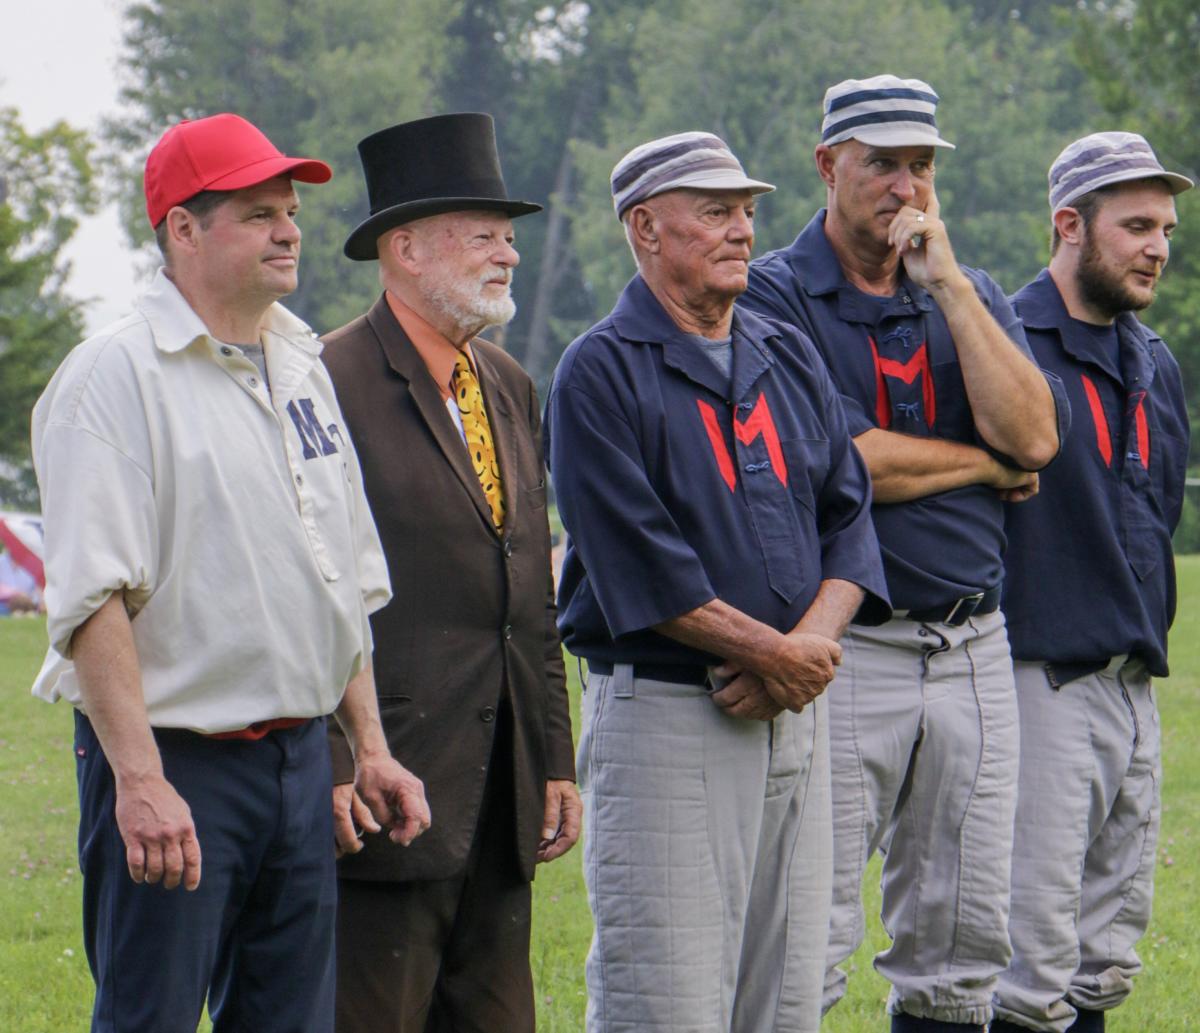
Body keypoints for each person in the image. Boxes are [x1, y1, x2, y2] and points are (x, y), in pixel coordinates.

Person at [30, 113, 429, 1033]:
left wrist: (366, 747)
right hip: (177, 761)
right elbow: (93, 600)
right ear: (183, 228)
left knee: (289, 1021)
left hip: (296, 761)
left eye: (288, 210)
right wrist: (139, 778)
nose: (289, 229)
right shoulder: (113, 377)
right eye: (257, 213)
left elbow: (343, 576)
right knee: (152, 1019)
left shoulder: (300, 361)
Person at [740, 75, 1067, 1032]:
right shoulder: (772, 293)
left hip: (974, 645)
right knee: (812, 932)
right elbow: (840, 461)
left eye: (920, 164)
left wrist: (953, 288)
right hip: (850, 650)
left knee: (964, 945)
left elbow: (1038, 439)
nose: (904, 185)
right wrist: (982, 462)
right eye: (881, 162)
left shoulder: (964, 289)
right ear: (827, 164)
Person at [546, 130, 889, 1033]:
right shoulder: (599, 370)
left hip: (791, 712)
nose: (742, 230)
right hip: (670, 716)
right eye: (714, 212)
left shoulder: (783, 349)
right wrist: (780, 656)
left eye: (746, 211)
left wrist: (802, 651)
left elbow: (849, 519)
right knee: (667, 1000)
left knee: (785, 1001)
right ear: (646, 228)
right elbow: (644, 568)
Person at [322, 112, 580, 1033]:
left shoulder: (506, 380)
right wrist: (337, 762)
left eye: (509, 238)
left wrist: (552, 756)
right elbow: (313, 591)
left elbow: (529, 595)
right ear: (405, 249)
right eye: (482, 236)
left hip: (503, 792)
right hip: (387, 792)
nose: (507, 255)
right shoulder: (327, 383)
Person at [990, 133, 1192, 1033]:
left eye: (1167, 228)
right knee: (1026, 966)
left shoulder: (1156, 363)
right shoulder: (1005, 341)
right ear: (1069, 225)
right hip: (1038, 678)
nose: (1158, 246)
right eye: (1137, 226)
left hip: (1131, 684)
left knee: (1101, 960)